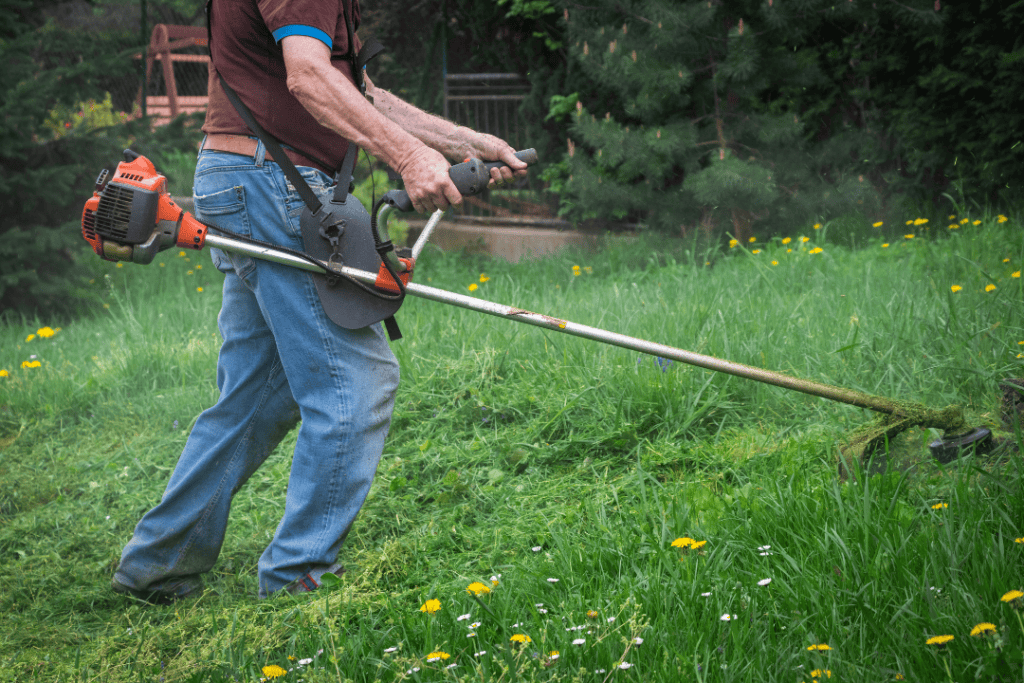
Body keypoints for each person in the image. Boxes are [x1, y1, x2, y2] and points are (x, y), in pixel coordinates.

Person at [112, 0, 526, 602]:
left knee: (259, 392)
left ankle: (158, 562)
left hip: (247, 177)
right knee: (355, 386)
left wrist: (461, 142)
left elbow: (355, 89)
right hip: (274, 181)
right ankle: (297, 577)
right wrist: (409, 157)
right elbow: (308, 76)